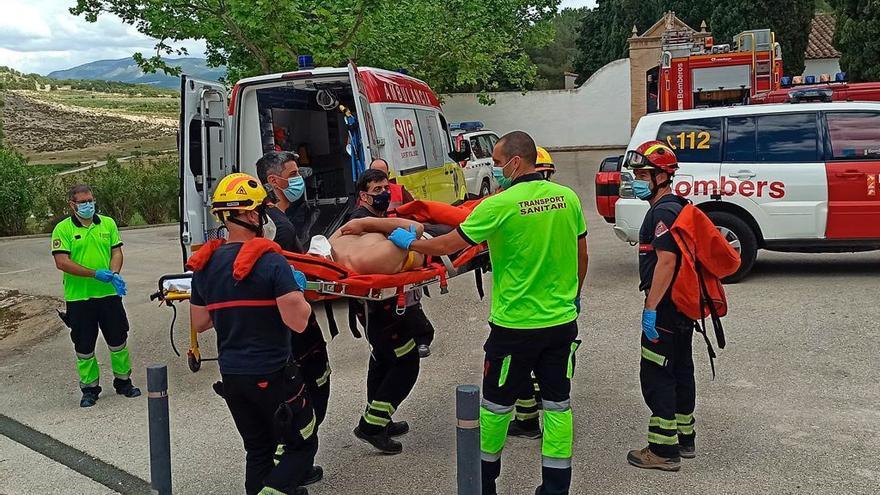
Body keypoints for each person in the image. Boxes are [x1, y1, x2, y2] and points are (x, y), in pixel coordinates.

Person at [387, 131, 589, 495]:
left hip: (515, 326)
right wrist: (573, 295)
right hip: (561, 323)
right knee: (558, 407)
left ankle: (483, 485)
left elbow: (448, 246)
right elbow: (582, 253)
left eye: (497, 163)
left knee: (495, 409)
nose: (495, 170)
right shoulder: (567, 198)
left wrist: (410, 242)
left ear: (515, 161)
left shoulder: (498, 205)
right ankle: (556, 488)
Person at [188, 173, 318, 495]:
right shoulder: (271, 261)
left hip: (233, 377)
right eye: (262, 209)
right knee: (302, 446)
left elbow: (201, 321)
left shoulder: (206, 264)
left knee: (259, 450)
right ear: (248, 214)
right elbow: (298, 321)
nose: (265, 216)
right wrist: (296, 290)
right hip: (272, 374)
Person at [347, 169, 434, 454]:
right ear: (364, 195)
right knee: (406, 360)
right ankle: (372, 425)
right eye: (378, 189)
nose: (385, 193)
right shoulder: (361, 221)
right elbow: (409, 235)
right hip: (379, 308)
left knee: (383, 360)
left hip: (380, 306)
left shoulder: (372, 220)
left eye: (387, 187)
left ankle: (381, 418)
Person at [256, 152, 330, 485]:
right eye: (294, 173)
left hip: (276, 327)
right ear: (274, 182)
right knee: (313, 388)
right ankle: (291, 466)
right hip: (293, 325)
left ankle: (293, 460)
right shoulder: (279, 226)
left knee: (294, 396)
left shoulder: (270, 219)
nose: (300, 178)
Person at [622, 141, 695, 472]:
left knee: (657, 373)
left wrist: (651, 309)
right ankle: (685, 437)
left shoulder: (662, 211)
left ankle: (663, 451)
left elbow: (666, 261)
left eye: (642, 174)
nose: (637, 180)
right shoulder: (679, 206)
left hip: (665, 306)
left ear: (662, 176)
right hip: (681, 306)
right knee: (680, 368)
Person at [51, 184, 140, 408]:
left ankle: (123, 382)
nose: (88, 205)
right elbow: (62, 262)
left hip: (109, 296)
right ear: (72, 205)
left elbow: (116, 251)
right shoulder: (63, 229)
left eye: (90, 200)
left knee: (118, 340)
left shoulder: (107, 223)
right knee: (84, 346)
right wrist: (94, 274)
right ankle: (90, 389)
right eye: (82, 202)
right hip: (80, 299)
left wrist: (114, 274)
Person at [366, 159, 433, 357]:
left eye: (383, 175)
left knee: (410, 302)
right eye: (375, 173)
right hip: (392, 249)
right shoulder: (365, 201)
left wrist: (411, 238)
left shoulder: (399, 191)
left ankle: (422, 338)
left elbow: (415, 215)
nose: (383, 190)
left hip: (405, 244)